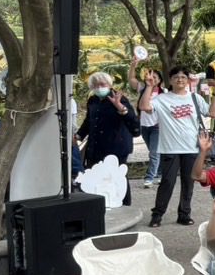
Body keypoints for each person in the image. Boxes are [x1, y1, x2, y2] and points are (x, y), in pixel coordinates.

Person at [140, 67, 208, 228]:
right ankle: (157, 215)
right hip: (170, 148)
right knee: (167, 182)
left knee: (188, 182)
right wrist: (149, 86)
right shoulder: (162, 99)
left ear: (188, 80)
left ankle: (184, 214)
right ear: (170, 80)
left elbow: (211, 113)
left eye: (183, 77)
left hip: (191, 147)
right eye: (176, 77)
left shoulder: (195, 98)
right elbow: (144, 107)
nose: (180, 80)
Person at [75, 72, 139, 204]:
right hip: (96, 145)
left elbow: (134, 124)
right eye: (95, 85)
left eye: (102, 84)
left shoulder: (120, 98)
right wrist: (79, 135)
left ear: (109, 85)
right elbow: (89, 120)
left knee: (117, 176)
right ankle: (103, 202)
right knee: (97, 175)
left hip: (116, 145)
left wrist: (121, 108)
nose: (99, 87)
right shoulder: (92, 100)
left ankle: (125, 203)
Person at [129, 62, 163, 187]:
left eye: (155, 77)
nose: (152, 79)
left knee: (154, 153)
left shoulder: (163, 93)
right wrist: (133, 65)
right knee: (155, 152)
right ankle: (160, 173)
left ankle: (149, 178)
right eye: (150, 76)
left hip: (158, 127)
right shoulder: (143, 89)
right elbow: (132, 80)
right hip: (144, 125)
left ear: (159, 80)